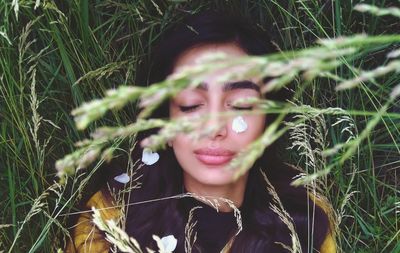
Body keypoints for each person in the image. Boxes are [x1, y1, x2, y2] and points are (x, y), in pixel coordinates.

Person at [66, 10, 336, 253]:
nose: (215, 127)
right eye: (191, 105)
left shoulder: (304, 215)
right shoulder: (110, 218)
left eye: (241, 105)